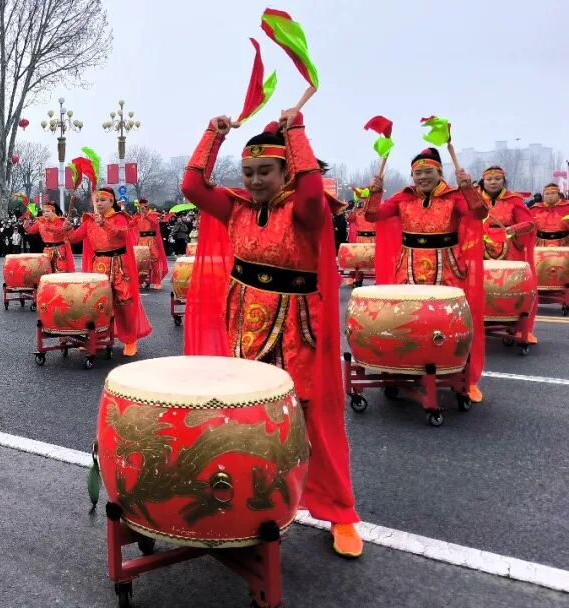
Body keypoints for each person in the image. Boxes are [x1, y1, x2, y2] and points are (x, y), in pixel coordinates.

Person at [180, 108, 363, 558]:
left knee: (305, 415)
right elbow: (192, 187)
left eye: (266, 171)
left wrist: (296, 131)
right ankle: (249, 497)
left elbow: (311, 192)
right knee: (246, 414)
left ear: (286, 172)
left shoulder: (305, 210)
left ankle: (339, 511)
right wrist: (213, 135)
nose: (256, 180)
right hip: (243, 321)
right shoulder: (236, 208)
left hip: (297, 326)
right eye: (249, 172)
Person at [366, 147, 487, 403]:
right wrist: (375, 190)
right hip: (408, 269)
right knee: (405, 320)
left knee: (451, 322)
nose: (422, 177)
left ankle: (461, 376)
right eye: (417, 173)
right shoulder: (403, 198)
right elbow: (372, 215)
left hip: (447, 268)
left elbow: (479, 213)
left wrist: (467, 187)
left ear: (440, 172)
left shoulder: (454, 197)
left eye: (428, 172)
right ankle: (401, 369)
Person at [66, 186, 152, 357]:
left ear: (111, 201)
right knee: (98, 304)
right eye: (97, 200)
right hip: (99, 265)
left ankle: (130, 340)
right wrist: (68, 228)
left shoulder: (120, 217)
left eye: (103, 200)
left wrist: (104, 223)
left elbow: (122, 234)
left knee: (124, 302)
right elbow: (75, 238)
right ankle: (98, 339)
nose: (99, 203)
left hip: (119, 264)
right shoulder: (90, 220)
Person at [477, 166, 537, 344]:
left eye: (497, 179)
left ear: (504, 181)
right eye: (489, 179)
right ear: (483, 181)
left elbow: (529, 223)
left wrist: (513, 229)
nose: (493, 182)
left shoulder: (514, 200)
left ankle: (517, 327)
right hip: (480, 248)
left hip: (509, 249)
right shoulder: (476, 200)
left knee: (511, 287)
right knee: (481, 286)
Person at [23, 201, 75, 273]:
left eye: (48, 211)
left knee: (60, 272)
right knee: (47, 272)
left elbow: (61, 230)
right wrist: (26, 222)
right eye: (44, 212)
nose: (45, 213)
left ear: (53, 212)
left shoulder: (60, 220)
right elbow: (31, 231)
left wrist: (48, 227)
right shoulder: (41, 221)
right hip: (47, 250)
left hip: (59, 250)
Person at [132, 199, 169, 289]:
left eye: (144, 206)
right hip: (141, 240)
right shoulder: (137, 216)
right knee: (140, 261)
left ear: (147, 206)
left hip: (151, 240)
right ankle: (140, 281)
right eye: (140, 207)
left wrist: (146, 216)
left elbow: (155, 224)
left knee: (154, 259)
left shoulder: (153, 214)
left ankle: (157, 281)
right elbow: (131, 225)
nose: (142, 208)